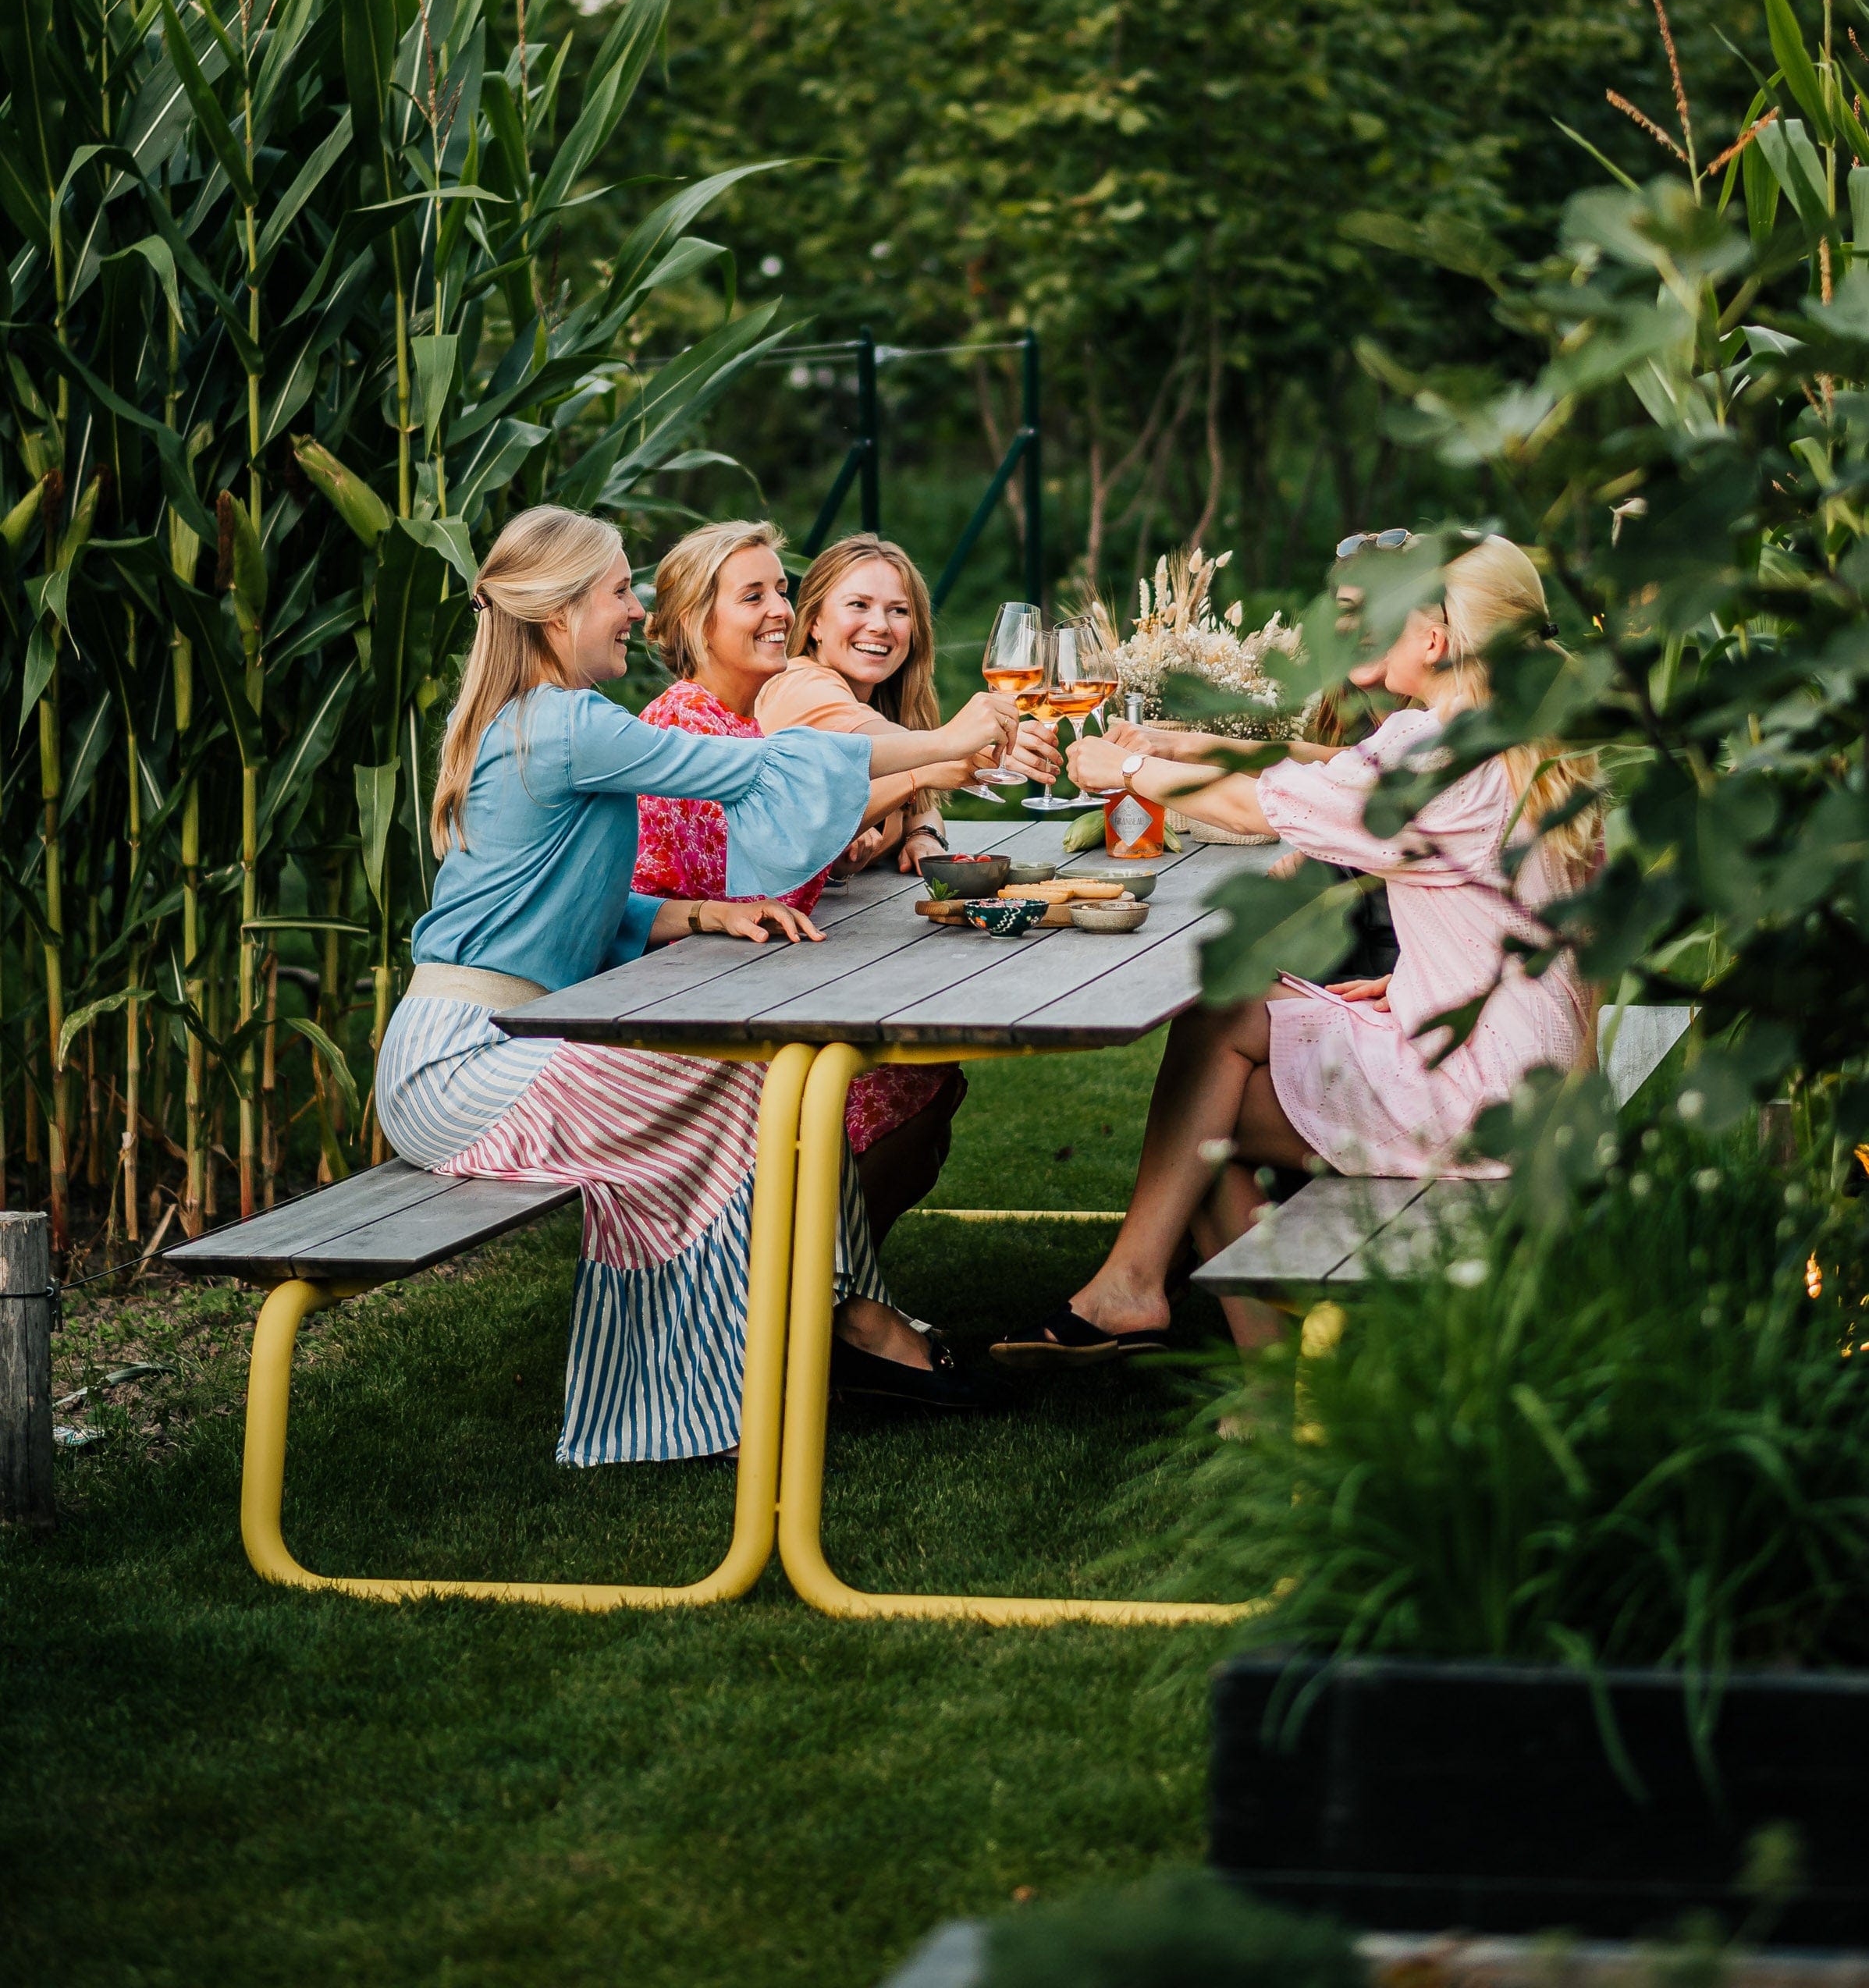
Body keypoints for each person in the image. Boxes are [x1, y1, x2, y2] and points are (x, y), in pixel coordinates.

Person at [375, 505, 1019, 1460]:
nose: (632, 609)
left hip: (495, 1045)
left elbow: (560, 908)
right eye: (615, 591)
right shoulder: (566, 724)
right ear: (558, 615)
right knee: (758, 1078)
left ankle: (786, 1350)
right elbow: (758, 766)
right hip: (462, 1068)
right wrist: (944, 741)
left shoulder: (539, 721)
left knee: (772, 1078)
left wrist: (701, 914)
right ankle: (812, 1343)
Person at [992, 536, 1602, 1364]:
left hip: (1484, 1099)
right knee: (1222, 1037)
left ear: (1432, 638)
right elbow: (1328, 769)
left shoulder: (1448, 758)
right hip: (1513, 1056)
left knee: (1206, 1111)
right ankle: (1148, 1298)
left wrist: (1127, 764)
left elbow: (1259, 810)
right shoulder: (1493, 736)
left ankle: (1205, 1338)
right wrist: (1186, 747)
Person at [637, 524, 1058, 1238]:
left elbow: (793, 816)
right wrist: (940, 760)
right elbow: (803, 799)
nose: (779, 609)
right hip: (682, 1004)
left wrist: (911, 809)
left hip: (737, 980)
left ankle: (824, 1287)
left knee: (918, 1073)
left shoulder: (739, 721)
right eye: (754, 596)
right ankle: (820, 1293)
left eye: (780, 590)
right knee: (900, 1078)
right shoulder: (714, 715)